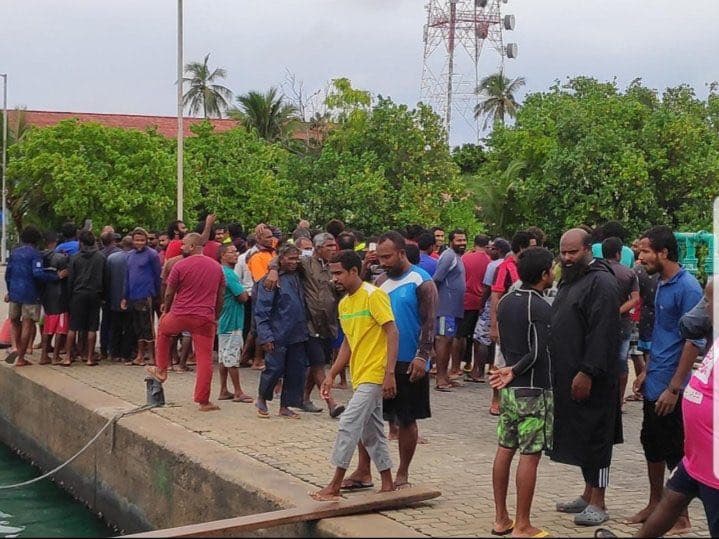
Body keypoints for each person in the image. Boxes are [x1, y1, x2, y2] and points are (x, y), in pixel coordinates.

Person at [595, 279, 719, 539]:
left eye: (708, 301)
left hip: (714, 465)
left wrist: (673, 389)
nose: (703, 307)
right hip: (698, 456)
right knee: (671, 500)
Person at [626, 225, 704, 532]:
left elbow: (693, 341)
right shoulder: (660, 283)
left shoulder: (689, 288)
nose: (641, 257)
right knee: (652, 444)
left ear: (664, 253)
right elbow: (664, 335)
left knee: (675, 451)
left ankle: (680, 517)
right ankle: (655, 503)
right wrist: (646, 371)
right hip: (655, 380)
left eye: (645, 251)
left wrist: (675, 387)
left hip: (673, 388)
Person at [311, 250, 398, 501]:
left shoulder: (374, 295)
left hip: (375, 373)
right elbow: (349, 343)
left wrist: (390, 373)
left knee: (348, 423)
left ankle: (335, 484)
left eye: (338, 273)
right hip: (359, 374)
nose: (334, 278)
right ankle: (388, 483)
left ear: (354, 271)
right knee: (372, 432)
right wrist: (332, 374)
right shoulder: (345, 304)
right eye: (332, 273)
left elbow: (392, 332)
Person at [550, 228, 622, 527]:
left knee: (597, 438)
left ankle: (599, 501)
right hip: (567, 373)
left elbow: (603, 332)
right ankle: (587, 492)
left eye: (572, 252)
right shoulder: (572, 279)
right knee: (580, 435)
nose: (566, 258)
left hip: (593, 377)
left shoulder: (602, 282)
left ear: (588, 249)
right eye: (563, 253)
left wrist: (587, 371)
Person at [489, 247, 555, 538]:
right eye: (551, 269)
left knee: (505, 449)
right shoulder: (539, 306)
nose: (553, 273)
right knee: (530, 454)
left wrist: (508, 372)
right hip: (533, 387)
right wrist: (515, 370)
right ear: (543, 274)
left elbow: (505, 342)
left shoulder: (505, 301)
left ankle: (501, 518)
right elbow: (539, 351)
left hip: (510, 391)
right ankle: (523, 524)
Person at [265, 232, 346, 417]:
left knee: (318, 362)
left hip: (329, 324)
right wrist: (273, 270)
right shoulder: (306, 263)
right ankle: (331, 404)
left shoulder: (333, 268)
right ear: (318, 249)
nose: (333, 249)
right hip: (309, 323)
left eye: (334, 246)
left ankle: (304, 397)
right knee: (318, 365)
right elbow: (281, 258)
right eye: (329, 246)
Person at [146, 232, 225, 412]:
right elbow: (221, 295)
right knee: (204, 359)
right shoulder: (216, 267)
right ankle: (203, 401)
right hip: (205, 318)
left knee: (163, 332)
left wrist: (166, 309)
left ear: (192, 247)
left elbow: (169, 292)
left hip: (180, 314)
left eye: (184, 244)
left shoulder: (179, 265)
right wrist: (215, 316)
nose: (181, 247)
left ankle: (161, 370)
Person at [253, 244, 309, 419]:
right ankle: (262, 398)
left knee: (295, 370)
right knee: (274, 368)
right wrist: (265, 335)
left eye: (296, 258)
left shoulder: (299, 276)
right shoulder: (270, 279)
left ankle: (286, 405)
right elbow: (262, 310)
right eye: (290, 258)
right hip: (278, 332)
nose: (294, 262)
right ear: (281, 259)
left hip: (298, 332)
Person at [5, 226, 67, 367]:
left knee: (14, 320)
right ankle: (21, 358)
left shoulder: (14, 253)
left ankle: (14, 346)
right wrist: (56, 276)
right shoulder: (35, 255)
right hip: (30, 293)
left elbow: (8, 274)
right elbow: (38, 273)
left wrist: (10, 291)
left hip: (15, 293)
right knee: (27, 322)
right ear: (36, 241)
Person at [488, 231, 532, 415]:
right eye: (532, 245)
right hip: (506, 322)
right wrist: (494, 325)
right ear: (522, 247)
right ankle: (496, 399)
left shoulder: (530, 267)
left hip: (525, 323)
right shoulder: (505, 267)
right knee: (500, 362)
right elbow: (496, 295)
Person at [601, 237, 639, 409]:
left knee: (600, 359)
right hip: (622, 324)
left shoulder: (597, 272)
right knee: (621, 361)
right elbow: (635, 299)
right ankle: (619, 400)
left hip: (599, 324)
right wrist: (618, 310)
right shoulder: (628, 273)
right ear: (618, 253)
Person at [64, 230, 107, 367]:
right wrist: (104, 296)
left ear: (81, 242)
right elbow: (105, 279)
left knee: (73, 327)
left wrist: (69, 296)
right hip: (95, 294)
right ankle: (89, 357)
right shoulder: (101, 257)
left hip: (78, 294)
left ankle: (68, 357)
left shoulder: (75, 258)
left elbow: (70, 279)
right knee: (92, 328)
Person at [470, 238, 510, 383]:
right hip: (506, 306)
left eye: (492, 248)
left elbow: (487, 288)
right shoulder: (510, 265)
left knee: (481, 338)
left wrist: (481, 305)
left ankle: (478, 371)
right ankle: (493, 367)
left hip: (491, 305)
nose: (489, 250)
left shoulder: (493, 265)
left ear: (498, 250)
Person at [216, 243, 252, 403]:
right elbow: (242, 296)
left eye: (236, 251)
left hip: (224, 320)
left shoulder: (221, 272)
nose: (236, 254)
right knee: (232, 356)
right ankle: (238, 391)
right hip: (233, 320)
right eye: (231, 252)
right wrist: (246, 292)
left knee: (224, 357)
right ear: (223, 255)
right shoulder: (229, 274)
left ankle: (224, 389)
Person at [121, 227, 162, 367]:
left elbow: (158, 276)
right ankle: (139, 355)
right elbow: (126, 277)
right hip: (133, 295)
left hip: (147, 295)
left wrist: (157, 295)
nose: (139, 243)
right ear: (132, 241)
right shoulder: (129, 255)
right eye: (137, 240)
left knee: (147, 326)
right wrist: (124, 296)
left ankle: (151, 356)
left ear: (146, 241)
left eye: (142, 240)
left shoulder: (152, 255)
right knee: (137, 326)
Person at [433, 229, 467, 391]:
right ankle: (440, 379)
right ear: (451, 241)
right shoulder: (448, 256)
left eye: (464, 240)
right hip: (445, 308)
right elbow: (437, 279)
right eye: (459, 240)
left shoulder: (457, 257)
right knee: (443, 340)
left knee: (448, 341)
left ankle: (445, 376)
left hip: (454, 308)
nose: (462, 243)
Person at [456, 234, 490, 376]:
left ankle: (457, 366)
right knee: (478, 337)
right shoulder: (489, 261)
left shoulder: (465, 258)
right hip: (481, 302)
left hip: (465, 300)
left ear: (474, 243)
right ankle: (477, 368)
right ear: (487, 246)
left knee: (461, 335)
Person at [39, 231, 71, 365]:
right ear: (55, 242)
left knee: (48, 326)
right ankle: (55, 356)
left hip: (46, 296)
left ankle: (43, 355)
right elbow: (67, 274)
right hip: (60, 295)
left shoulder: (39, 257)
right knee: (60, 328)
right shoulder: (61, 258)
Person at [106, 236, 134, 364]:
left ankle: (113, 353)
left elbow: (107, 279)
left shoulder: (112, 258)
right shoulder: (134, 259)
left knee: (115, 327)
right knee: (129, 328)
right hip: (131, 298)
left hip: (114, 297)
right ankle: (126, 354)